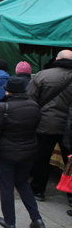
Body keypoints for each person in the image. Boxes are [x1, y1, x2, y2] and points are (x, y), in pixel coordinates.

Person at [0, 77, 45, 228]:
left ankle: (10, 221)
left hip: (6, 152)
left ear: (8, 91)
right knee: (23, 183)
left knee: (6, 186)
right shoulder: (34, 105)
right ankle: (36, 218)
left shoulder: (2, 107)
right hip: (29, 151)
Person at [29, 49, 72, 202]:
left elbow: (31, 99)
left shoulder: (43, 75)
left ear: (57, 58)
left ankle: (38, 189)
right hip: (69, 127)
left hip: (46, 124)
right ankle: (70, 194)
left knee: (42, 158)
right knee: (70, 160)